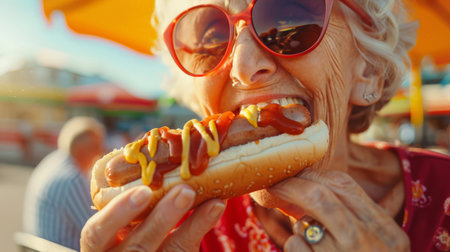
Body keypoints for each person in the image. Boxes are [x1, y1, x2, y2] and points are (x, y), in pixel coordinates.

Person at [81, 0, 450, 251]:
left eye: (286, 21)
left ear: (367, 69)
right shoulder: (175, 232)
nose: (243, 66)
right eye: (211, 39)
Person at [23, 116, 106, 251]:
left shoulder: (52, 161)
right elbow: (100, 232)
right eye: (97, 146)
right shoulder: (73, 179)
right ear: (83, 148)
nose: (101, 152)